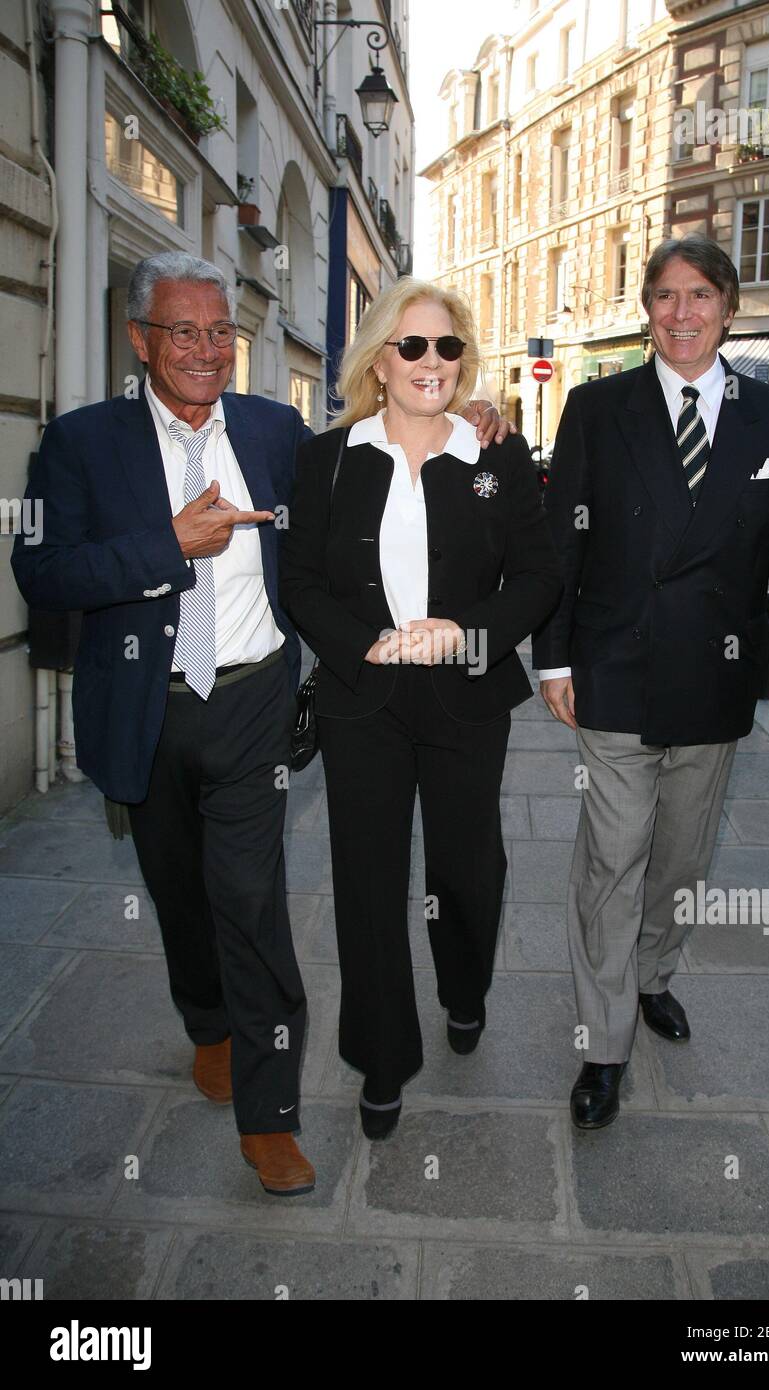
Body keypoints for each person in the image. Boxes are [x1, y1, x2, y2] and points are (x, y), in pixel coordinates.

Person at [11, 251, 517, 1193]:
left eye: (220, 333)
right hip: (145, 706)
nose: (206, 351)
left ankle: (270, 1114)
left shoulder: (280, 431)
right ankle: (205, 1020)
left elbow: (379, 444)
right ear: (140, 339)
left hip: (254, 699)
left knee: (250, 900)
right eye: (183, 331)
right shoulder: (81, 444)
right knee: (178, 893)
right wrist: (164, 545)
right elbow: (42, 573)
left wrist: (466, 416)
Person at [533, 234, 769, 1130]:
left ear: (729, 309)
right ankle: (604, 1039)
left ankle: (652, 972)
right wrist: (552, 657)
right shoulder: (596, 407)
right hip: (616, 669)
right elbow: (562, 542)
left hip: (718, 675)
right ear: (648, 311)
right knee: (612, 860)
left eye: (700, 296)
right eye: (665, 297)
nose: (682, 314)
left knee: (681, 861)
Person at [279, 278, 562, 1138]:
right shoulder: (328, 458)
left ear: (463, 361)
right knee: (366, 881)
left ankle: (465, 989)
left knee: (467, 872)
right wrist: (359, 643)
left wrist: (464, 633)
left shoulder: (495, 455)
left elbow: (540, 577)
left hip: (467, 694)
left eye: (447, 348)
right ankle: (381, 1057)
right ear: (379, 358)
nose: (430, 363)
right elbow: (300, 581)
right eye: (412, 347)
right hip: (362, 698)